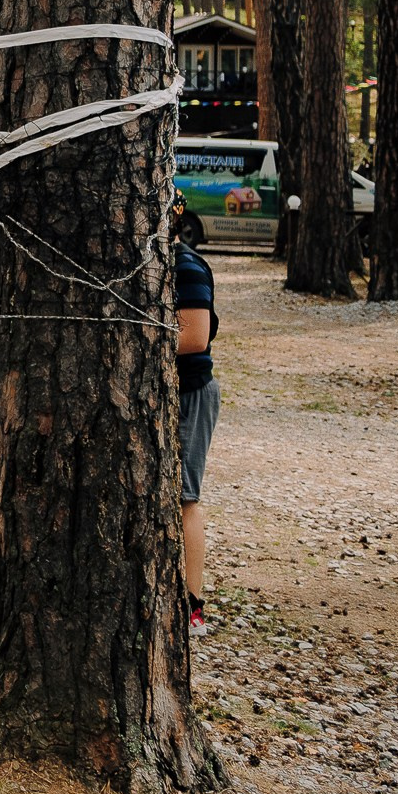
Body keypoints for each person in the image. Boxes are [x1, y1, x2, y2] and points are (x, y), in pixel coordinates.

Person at [174, 191, 219, 635]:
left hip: (192, 393)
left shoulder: (185, 265)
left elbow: (195, 337)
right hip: (165, 393)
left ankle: (193, 604)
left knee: (186, 495)